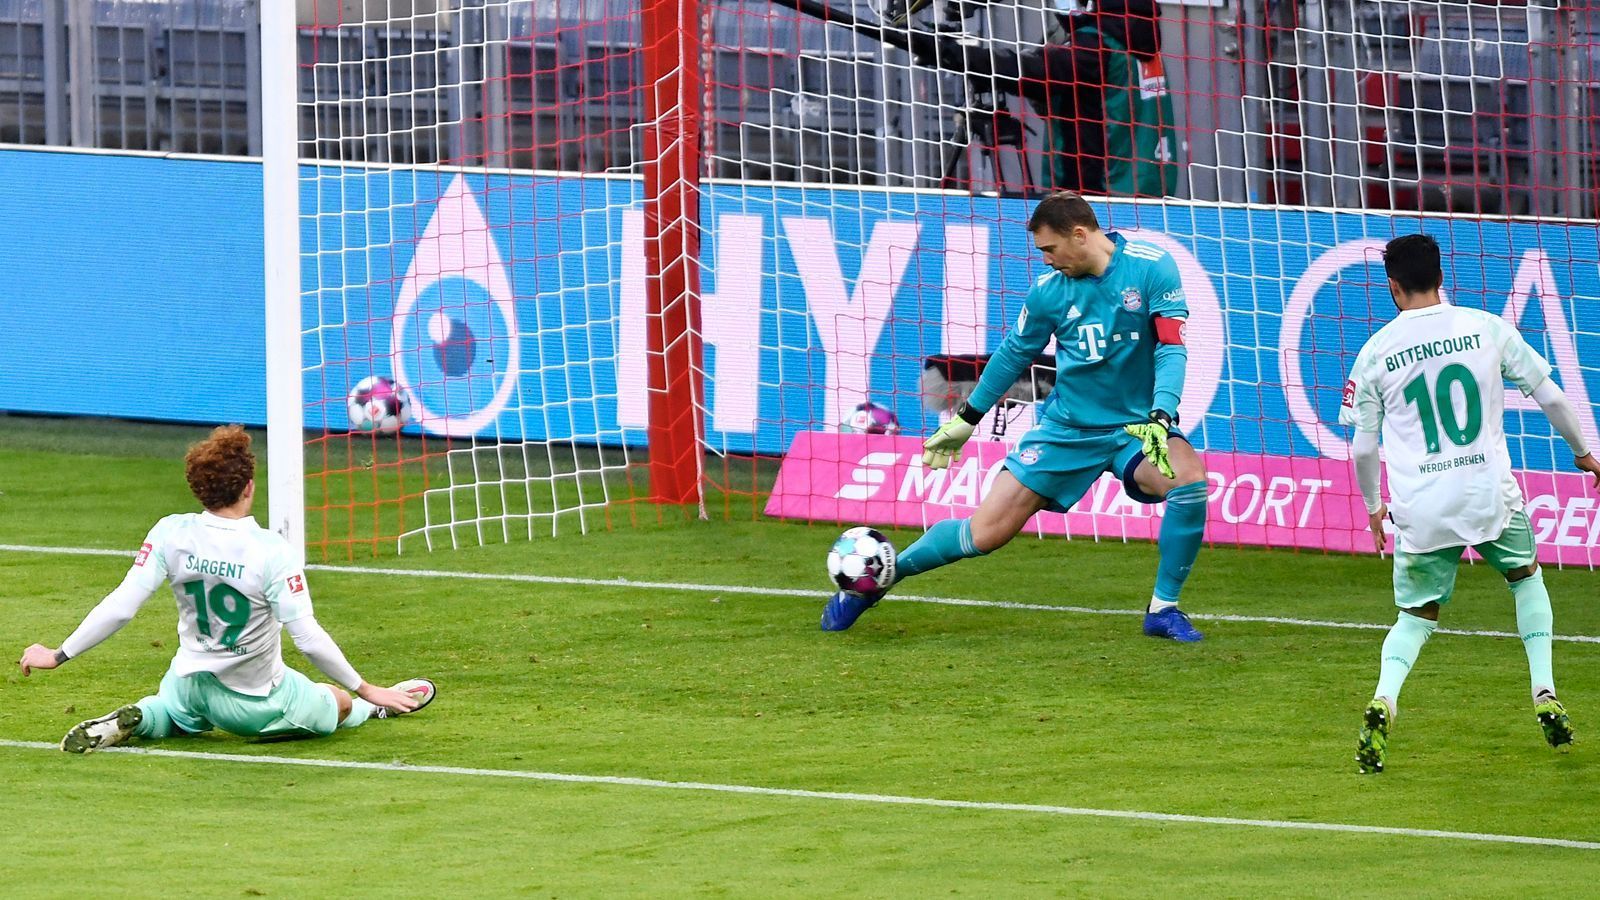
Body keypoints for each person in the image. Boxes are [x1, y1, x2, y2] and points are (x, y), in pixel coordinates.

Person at [822, 191, 1209, 640]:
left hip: (1137, 427)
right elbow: (1011, 356)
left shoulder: (1151, 266)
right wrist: (966, 419)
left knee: (1189, 482)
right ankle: (880, 582)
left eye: (1049, 248)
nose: (1046, 260)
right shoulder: (1048, 292)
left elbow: (1171, 349)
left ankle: (1163, 609)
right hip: (1068, 430)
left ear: (1079, 235)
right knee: (985, 533)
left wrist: (1162, 413)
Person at [1340, 233, 1600, 774]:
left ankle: (1385, 699)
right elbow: (1551, 394)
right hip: (1488, 495)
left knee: (1415, 615)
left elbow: (1364, 444)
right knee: (1526, 578)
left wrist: (1372, 506)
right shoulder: (1486, 328)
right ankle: (1544, 691)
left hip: (1422, 506)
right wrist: (1583, 453)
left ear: (1392, 287)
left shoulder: (1375, 353)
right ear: (1441, 276)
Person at [17, 425, 435, 753]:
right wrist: (364, 687)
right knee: (336, 702)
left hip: (186, 683)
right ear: (249, 486)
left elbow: (123, 605)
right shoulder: (272, 551)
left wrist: (57, 654)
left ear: (198, 487)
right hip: (252, 702)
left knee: (171, 713)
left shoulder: (170, 531)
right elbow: (306, 638)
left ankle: (143, 718)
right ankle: (378, 705)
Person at [912, 0, 1180, 196]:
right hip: (1149, 189)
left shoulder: (1096, 48)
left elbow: (1030, 72)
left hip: (1096, 199)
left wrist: (955, 55)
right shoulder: (1142, 43)